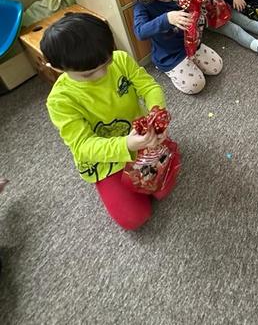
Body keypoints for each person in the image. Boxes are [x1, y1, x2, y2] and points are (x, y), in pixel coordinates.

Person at [42, 13, 174, 231]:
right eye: (89, 74)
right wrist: (126, 144)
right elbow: (84, 147)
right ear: (57, 68)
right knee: (135, 218)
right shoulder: (60, 101)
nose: (102, 73)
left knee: (163, 188)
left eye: (107, 62)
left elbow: (149, 87)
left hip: (141, 138)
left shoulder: (120, 59)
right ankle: (110, 183)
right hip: (105, 159)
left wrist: (156, 115)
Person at [133, 0, 223, 95]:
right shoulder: (142, 5)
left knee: (217, 66)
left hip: (189, 43)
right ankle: (165, 68)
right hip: (169, 54)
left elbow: (185, 2)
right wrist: (167, 19)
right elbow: (140, 32)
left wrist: (197, 3)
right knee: (196, 85)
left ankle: (190, 61)